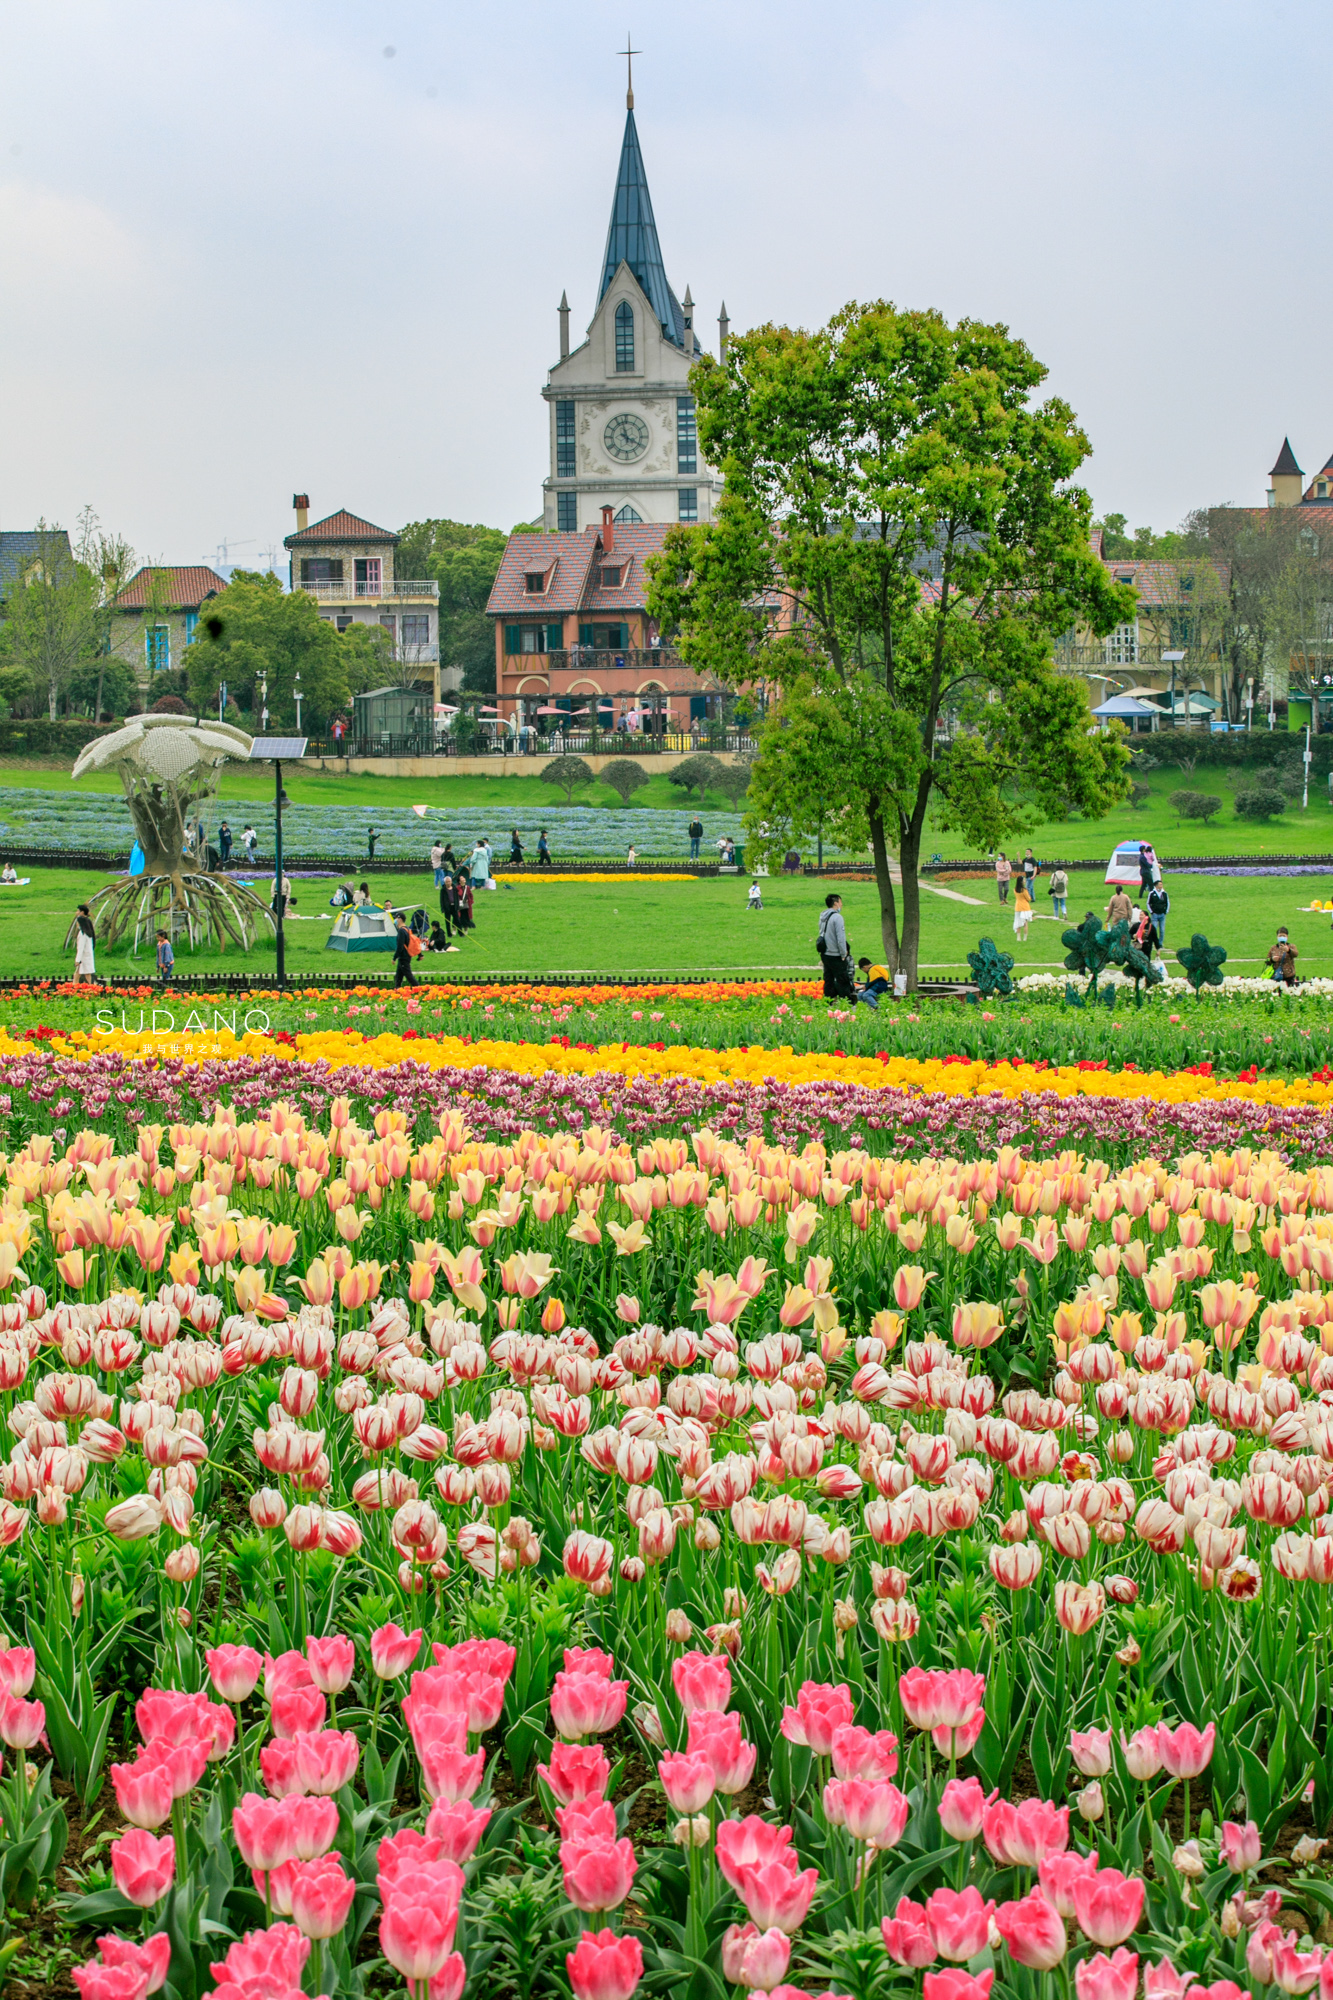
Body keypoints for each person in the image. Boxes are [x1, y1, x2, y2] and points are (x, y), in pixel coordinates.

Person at [817, 893, 854, 999]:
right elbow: (840, 938)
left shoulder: (823, 916)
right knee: (843, 980)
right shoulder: (837, 917)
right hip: (835, 954)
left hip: (825, 953)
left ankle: (828, 1002)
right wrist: (843, 953)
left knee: (828, 980)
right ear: (835, 903)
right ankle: (846, 1004)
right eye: (840, 902)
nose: (841, 905)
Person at [392, 914, 418, 989]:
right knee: (398, 976)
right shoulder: (407, 929)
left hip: (403, 956)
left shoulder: (401, 931)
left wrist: (394, 957)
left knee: (409, 976)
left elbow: (400, 946)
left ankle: (419, 988)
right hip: (406, 955)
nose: (395, 920)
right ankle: (397, 989)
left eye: (396, 919)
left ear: (400, 919)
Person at [74, 903, 96, 979]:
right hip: (87, 956)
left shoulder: (83, 934)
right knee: (86, 974)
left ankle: (74, 988)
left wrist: (77, 960)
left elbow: (81, 947)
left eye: (78, 911)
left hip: (83, 957)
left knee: (79, 974)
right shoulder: (89, 932)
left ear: (82, 912)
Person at [1148, 880, 1169, 948]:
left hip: (1162, 914)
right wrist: (1151, 911)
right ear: (1156, 886)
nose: (1161, 886)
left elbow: (1167, 902)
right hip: (1155, 914)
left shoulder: (1164, 894)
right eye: (1160, 884)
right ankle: (1154, 942)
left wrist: (1166, 911)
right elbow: (1148, 903)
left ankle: (1160, 943)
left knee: (1162, 930)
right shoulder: (1152, 893)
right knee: (1154, 929)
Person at [1012, 877, 1033, 941]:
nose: (1025, 881)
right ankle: (1025, 938)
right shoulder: (1024, 890)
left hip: (1018, 907)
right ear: (1021, 882)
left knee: (1018, 922)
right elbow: (1028, 898)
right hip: (1024, 907)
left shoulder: (1015, 889)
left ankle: (1018, 937)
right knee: (1025, 923)